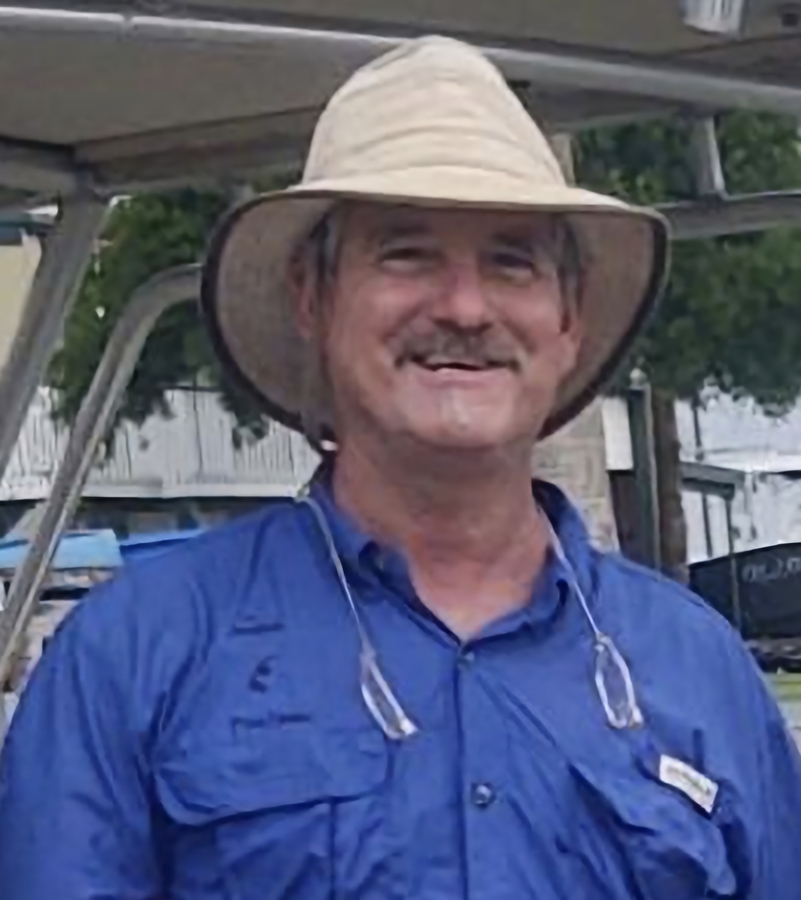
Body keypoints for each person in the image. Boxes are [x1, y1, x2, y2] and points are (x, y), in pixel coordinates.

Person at [1, 35, 800, 900]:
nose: (464, 307)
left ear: (567, 317)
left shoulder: (698, 667)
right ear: (313, 298)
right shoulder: (133, 656)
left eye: (510, 261)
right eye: (406, 253)